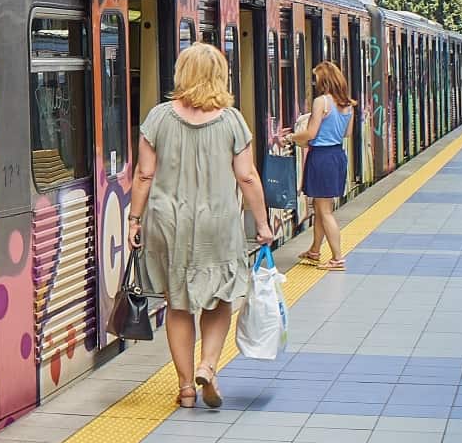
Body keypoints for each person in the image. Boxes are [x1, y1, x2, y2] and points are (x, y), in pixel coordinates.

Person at [128, 43, 275, 410]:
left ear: (182, 73)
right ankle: (208, 366)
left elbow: (145, 174)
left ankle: (185, 389)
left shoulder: (158, 118)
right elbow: (247, 176)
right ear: (219, 76)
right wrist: (262, 222)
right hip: (218, 223)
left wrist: (133, 218)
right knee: (220, 297)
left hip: (167, 222)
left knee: (178, 305)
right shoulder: (231, 121)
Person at [278, 61, 356, 272]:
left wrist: (290, 137)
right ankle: (314, 250)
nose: (314, 82)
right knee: (323, 206)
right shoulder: (348, 105)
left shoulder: (321, 102)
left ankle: (338, 258)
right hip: (337, 155)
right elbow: (347, 133)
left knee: (324, 210)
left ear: (325, 80)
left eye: (316, 78)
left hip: (321, 157)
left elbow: (310, 134)